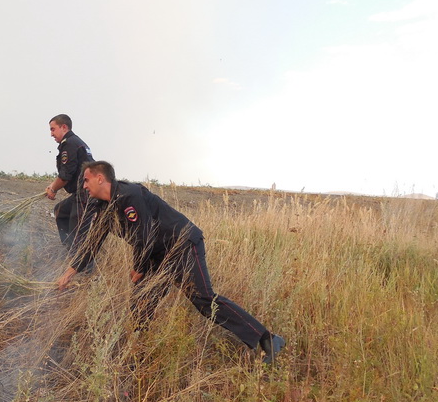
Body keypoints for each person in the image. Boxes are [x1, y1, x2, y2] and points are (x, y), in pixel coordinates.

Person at [57, 160, 286, 364]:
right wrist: (70, 271)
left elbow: (143, 235)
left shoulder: (130, 195)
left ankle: (268, 340)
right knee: (141, 303)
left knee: (204, 300)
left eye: (86, 180)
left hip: (183, 245)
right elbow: (93, 242)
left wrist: (138, 268)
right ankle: (137, 356)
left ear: (100, 178)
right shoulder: (103, 208)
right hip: (159, 256)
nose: (84, 186)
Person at [44, 114, 94, 249]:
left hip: (87, 193)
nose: (51, 134)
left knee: (77, 230)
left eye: (53, 129)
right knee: (60, 211)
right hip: (81, 192)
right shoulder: (74, 142)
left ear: (64, 127)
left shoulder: (70, 143)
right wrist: (53, 186)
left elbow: (66, 174)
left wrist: (53, 189)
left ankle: (82, 265)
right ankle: (69, 251)